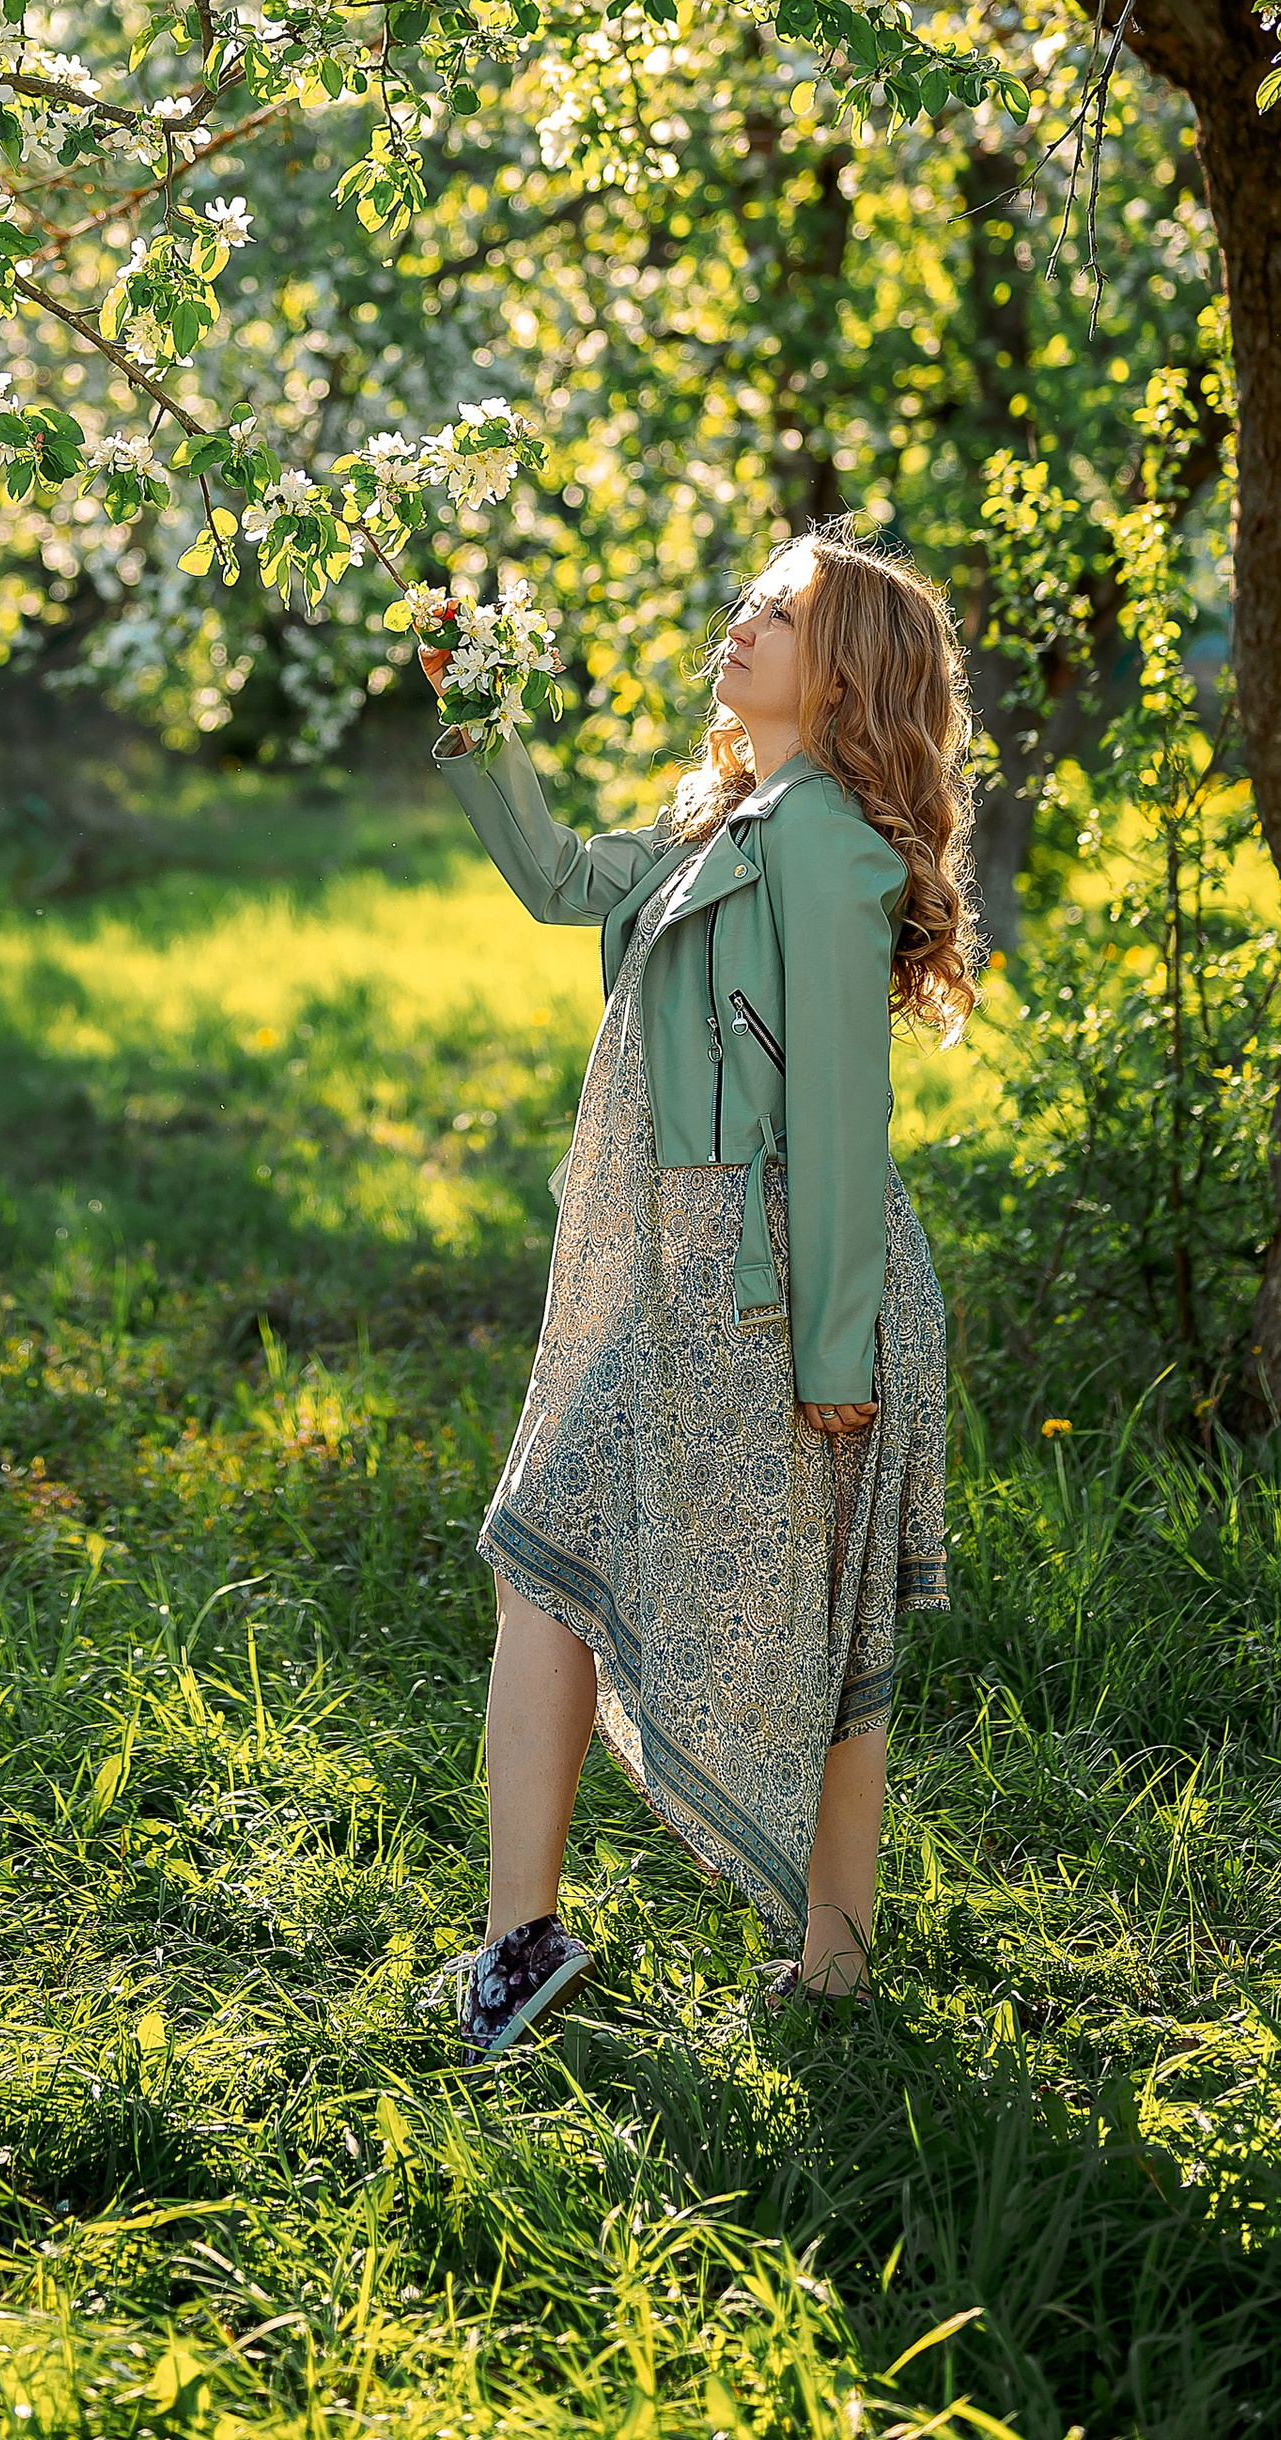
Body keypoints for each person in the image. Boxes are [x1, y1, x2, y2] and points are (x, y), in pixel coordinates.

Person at [423, 524, 980, 2059]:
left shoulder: (822, 839)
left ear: (847, 668)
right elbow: (550, 878)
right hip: (694, 1278)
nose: (739, 625)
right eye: (746, 601)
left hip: (787, 1285)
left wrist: (830, 1344)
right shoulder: (727, 819)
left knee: (815, 1606)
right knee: (552, 1547)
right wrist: (477, 700)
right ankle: (532, 1942)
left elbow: (842, 1118)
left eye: (780, 614)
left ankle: (826, 1975)